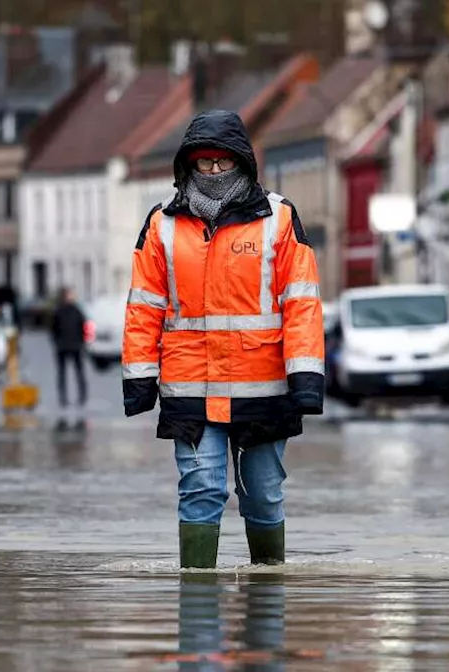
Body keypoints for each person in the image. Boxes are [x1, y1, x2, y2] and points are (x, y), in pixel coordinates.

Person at [122, 109, 325, 569]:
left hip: (264, 388)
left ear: (242, 163)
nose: (213, 172)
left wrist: (307, 377)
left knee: (264, 495)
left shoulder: (279, 219)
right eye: (204, 163)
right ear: (188, 165)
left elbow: (302, 304)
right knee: (201, 488)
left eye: (223, 163)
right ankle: (197, 621)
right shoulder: (162, 225)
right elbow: (143, 308)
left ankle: (265, 612)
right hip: (191, 389)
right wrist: (138, 379)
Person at [50, 287, 88, 408]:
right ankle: (63, 397)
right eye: (69, 295)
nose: (71, 297)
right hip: (63, 346)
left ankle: (82, 396)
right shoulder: (59, 311)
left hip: (76, 345)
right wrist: (57, 342)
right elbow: (53, 328)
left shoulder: (77, 311)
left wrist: (82, 341)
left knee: (79, 372)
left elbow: (84, 326)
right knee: (62, 373)